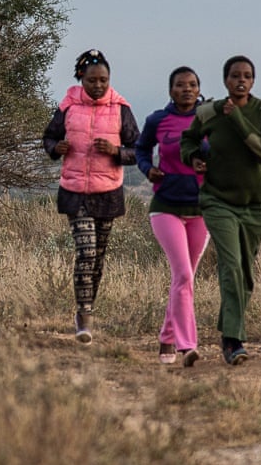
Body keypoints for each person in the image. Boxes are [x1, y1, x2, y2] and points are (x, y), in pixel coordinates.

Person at [179, 55, 261, 366]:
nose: (241, 80)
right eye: (235, 75)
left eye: (247, 76)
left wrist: (236, 117)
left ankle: (228, 331)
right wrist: (193, 157)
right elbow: (188, 141)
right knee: (231, 265)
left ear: (253, 81)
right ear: (225, 80)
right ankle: (233, 341)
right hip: (217, 200)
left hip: (255, 204)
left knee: (246, 275)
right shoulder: (208, 112)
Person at [42, 48, 139, 343]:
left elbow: (138, 150)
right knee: (85, 252)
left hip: (108, 192)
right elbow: (49, 136)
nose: (98, 86)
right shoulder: (68, 105)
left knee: (98, 258)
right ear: (81, 78)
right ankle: (84, 315)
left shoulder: (121, 108)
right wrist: (55, 149)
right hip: (74, 192)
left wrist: (116, 152)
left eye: (103, 80)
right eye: (92, 80)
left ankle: (88, 305)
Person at [135, 67, 210, 365]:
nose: (187, 90)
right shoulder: (158, 120)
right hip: (166, 206)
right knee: (182, 275)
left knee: (186, 279)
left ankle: (167, 336)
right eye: (180, 85)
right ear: (171, 90)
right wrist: (147, 169)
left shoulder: (209, 120)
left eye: (192, 85)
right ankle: (186, 345)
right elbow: (141, 149)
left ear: (199, 89)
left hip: (202, 209)